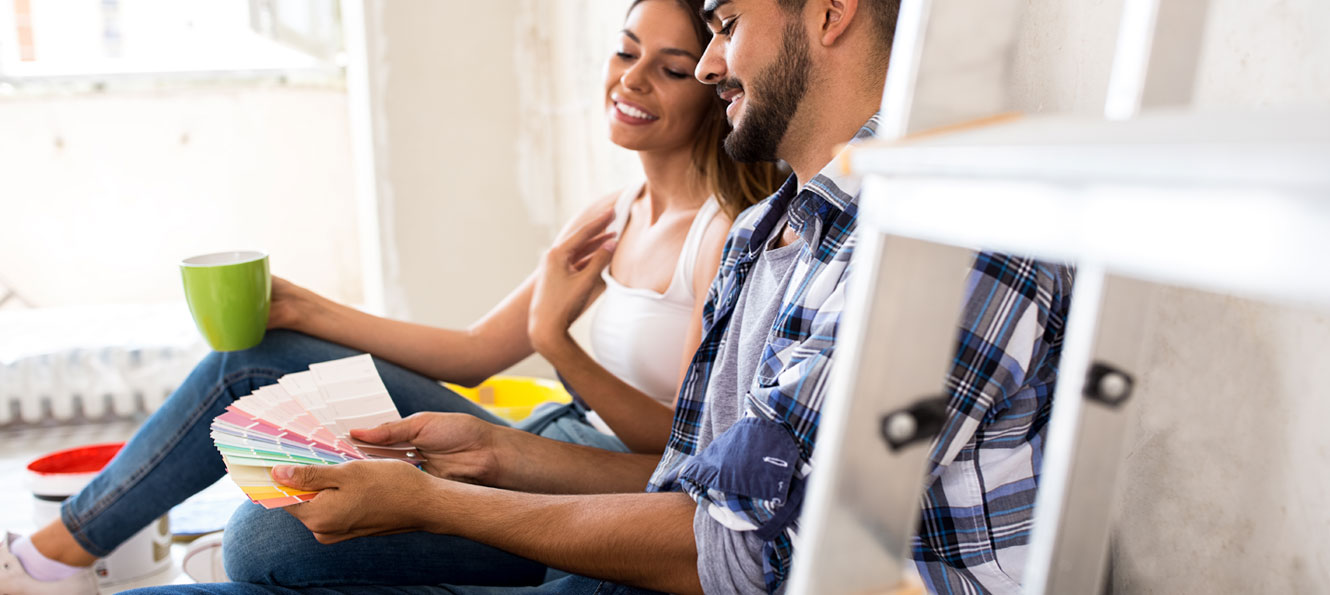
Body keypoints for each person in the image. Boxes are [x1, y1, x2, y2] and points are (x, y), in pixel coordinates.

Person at [132, 0, 1073, 592]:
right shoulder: (772, 233)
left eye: (723, 24)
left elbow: (726, 553)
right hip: (693, 538)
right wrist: (497, 450)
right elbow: (689, 478)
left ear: (830, 13)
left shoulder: (944, 239)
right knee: (263, 546)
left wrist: (429, 502)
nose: (707, 68)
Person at [0, 1, 781, 593]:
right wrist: (310, 310)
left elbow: (682, 451)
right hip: (538, 433)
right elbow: (476, 353)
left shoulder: (720, 235)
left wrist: (558, 342)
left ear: (714, 84)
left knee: (257, 543)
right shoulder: (613, 211)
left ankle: (49, 561)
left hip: (605, 479)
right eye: (624, 51)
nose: (632, 79)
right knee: (254, 364)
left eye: (671, 68)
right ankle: (55, 554)